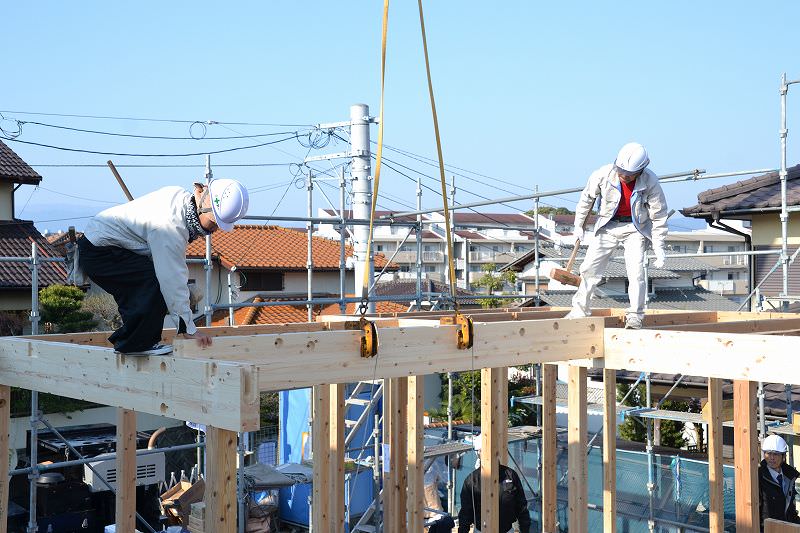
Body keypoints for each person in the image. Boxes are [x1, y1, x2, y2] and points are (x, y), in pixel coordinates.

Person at [74, 179, 249, 356]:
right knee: (153, 283)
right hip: (101, 252)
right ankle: (136, 344)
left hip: (106, 246)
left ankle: (137, 341)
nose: (212, 230)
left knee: (149, 285)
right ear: (200, 199)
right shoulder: (169, 227)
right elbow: (171, 278)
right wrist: (189, 329)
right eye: (213, 223)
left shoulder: (178, 199)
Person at [566, 142, 668, 329]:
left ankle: (635, 316)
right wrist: (578, 225)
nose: (623, 176)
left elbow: (659, 214)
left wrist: (659, 245)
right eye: (620, 170)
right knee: (589, 268)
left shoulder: (650, 181)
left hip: (635, 228)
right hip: (607, 225)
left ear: (640, 170)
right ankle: (579, 311)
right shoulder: (603, 174)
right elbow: (586, 199)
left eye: (628, 174)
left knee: (636, 272)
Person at [457, 436, 531, 533]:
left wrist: (525, 530)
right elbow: (465, 513)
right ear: (478, 453)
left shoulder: (510, 475)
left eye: (492, 449)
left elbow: (521, 506)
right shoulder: (472, 480)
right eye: (484, 450)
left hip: (507, 530)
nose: (489, 454)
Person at [759, 434, 800, 530]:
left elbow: (790, 510)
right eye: (768, 453)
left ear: (783, 456)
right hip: (768, 529)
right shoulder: (759, 477)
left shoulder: (789, 477)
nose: (772, 458)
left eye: (776, 454)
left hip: (786, 528)